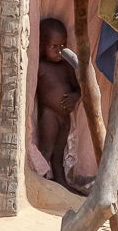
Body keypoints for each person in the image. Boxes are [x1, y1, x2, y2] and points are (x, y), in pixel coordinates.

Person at [35, 16, 83, 189]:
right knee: (46, 150)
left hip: (65, 116)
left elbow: (78, 88)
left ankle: (61, 182)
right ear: (42, 46)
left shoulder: (66, 66)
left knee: (59, 153)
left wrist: (75, 96)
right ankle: (39, 181)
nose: (59, 51)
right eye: (53, 47)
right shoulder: (40, 67)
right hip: (49, 114)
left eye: (63, 46)